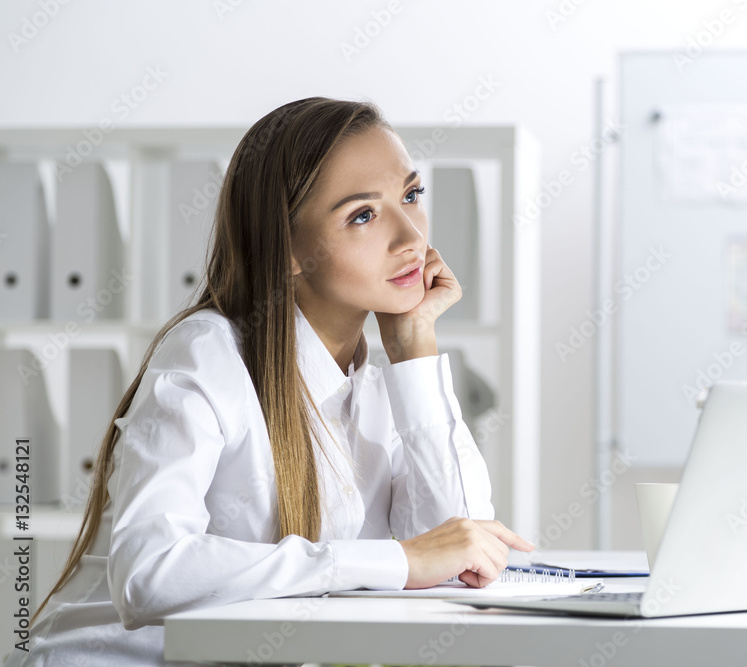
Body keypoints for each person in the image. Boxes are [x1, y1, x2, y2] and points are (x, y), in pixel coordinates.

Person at [6, 97, 532, 666]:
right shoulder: (209, 353)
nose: (410, 237)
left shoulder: (380, 385)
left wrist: (414, 350)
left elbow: (463, 558)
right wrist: (396, 561)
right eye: (363, 215)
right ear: (288, 248)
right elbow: (148, 573)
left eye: (411, 195)